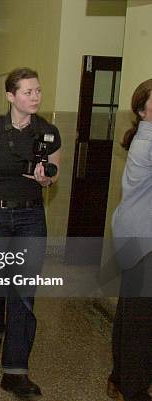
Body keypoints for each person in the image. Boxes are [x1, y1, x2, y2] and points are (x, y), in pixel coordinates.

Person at [0, 67, 60, 398]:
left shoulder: (48, 132)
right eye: (27, 92)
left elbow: (53, 174)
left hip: (30, 218)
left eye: (38, 91)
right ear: (11, 96)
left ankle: (15, 371)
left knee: (23, 292)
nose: (35, 96)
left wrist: (45, 178)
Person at [107, 79, 152, 401]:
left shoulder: (143, 137)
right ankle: (134, 390)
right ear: (141, 109)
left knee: (131, 311)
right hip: (144, 238)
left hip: (134, 234)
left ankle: (120, 378)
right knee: (142, 320)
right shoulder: (148, 140)